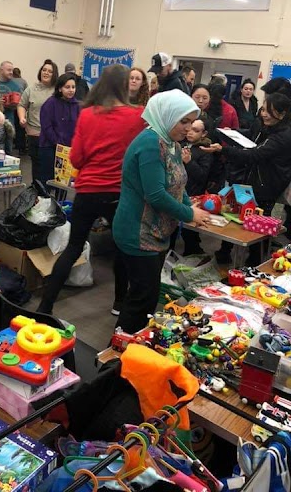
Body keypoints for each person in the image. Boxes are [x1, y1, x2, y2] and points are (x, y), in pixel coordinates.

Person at [37, 64, 147, 316]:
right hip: (120, 195)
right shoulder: (137, 116)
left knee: (74, 247)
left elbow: (76, 159)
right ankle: (119, 304)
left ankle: (45, 305)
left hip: (87, 190)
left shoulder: (87, 114)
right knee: (121, 250)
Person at [112, 90, 210, 334]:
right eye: (183, 121)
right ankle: (115, 357)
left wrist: (189, 207)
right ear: (167, 116)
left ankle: (132, 352)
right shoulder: (150, 144)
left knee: (146, 295)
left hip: (156, 232)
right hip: (138, 232)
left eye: (191, 122)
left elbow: (178, 183)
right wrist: (189, 215)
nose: (188, 128)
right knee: (141, 299)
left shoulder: (171, 143)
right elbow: (155, 194)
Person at [203, 92, 291, 265]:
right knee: (234, 215)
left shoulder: (283, 136)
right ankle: (224, 253)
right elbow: (250, 133)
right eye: (263, 109)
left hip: (266, 186)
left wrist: (223, 150)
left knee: (258, 226)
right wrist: (231, 132)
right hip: (249, 181)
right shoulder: (265, 125)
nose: (264, 114)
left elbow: (254, 155)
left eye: (269, 111)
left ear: (282, 114)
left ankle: (255, 262)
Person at [17, 61, 58, 181]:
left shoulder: (57, 91)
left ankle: (47, 195)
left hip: (51, 135)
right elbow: (22, 105)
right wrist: (22, 118)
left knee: (49, 168)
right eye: (44, 70)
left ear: (54, 74)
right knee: (36, 167)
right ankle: (37, 193)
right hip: (34, 133)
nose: (46, 73)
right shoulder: (31, 89)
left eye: (50, 71)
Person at [179, 117, 214, 255]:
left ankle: (194, 254)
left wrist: (189, 162)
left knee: (190, 233)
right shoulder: (180, 144)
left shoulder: (205, 150)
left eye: (196, 130)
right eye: (189, 128)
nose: (190, 132)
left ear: (204, 133)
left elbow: (202, 176)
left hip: (193, 194)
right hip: (178, 191)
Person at [39, 73, 80, 184]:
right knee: (47, 180)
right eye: (67, 87)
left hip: (67, 150)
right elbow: (46, 126)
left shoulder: (77, 105)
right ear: (60, 88)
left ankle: (60, 201)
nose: (71, 90)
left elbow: (78, 127)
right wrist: (57, 143)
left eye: (73, 87)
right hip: (49, 147)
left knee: (64, 182)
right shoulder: (50, 103)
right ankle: (45, 200)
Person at [0, 61, 22, 153]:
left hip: (9, 120)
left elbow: (19, 105)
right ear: (1, 70)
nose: (11, 72)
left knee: (7, 148)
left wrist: (12, 104)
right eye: (9, 70)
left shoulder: (16, 86)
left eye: (12, 70)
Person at [12, 67, 28, 154]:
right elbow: (26, 93)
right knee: (21, 128)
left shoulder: (11, 82)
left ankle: (14, 144)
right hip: (21, 107)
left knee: (13, 126)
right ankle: (22, 147)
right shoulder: (23, 81)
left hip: (12, 107)